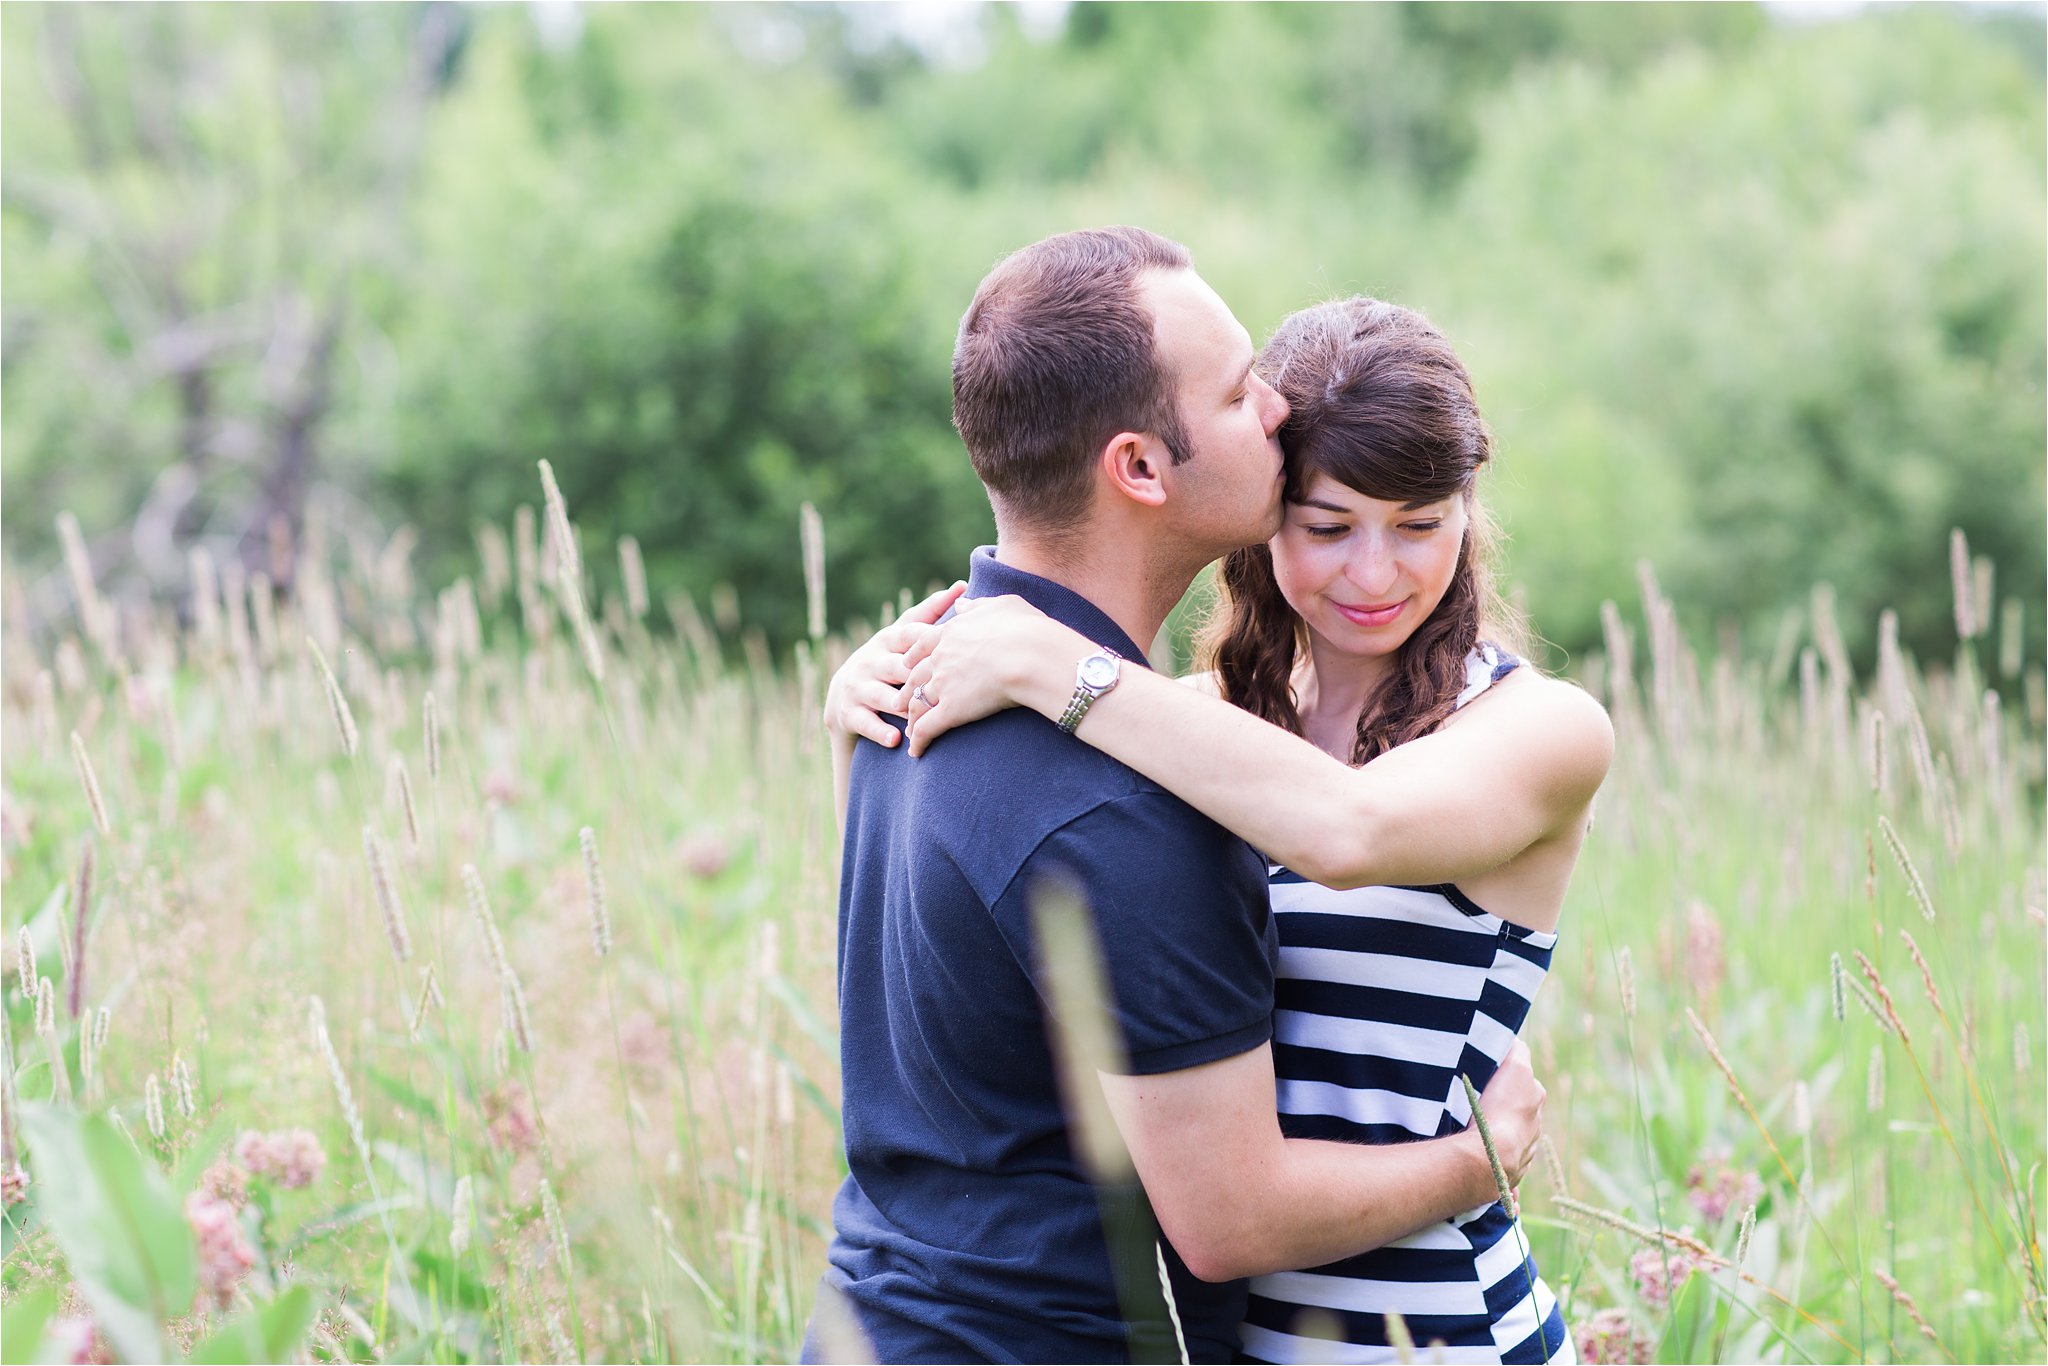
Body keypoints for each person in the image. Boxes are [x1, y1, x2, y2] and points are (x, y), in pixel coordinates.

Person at [808, 227, 1551, 1366]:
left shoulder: (925, 684)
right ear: (1141, 468)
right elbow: (1230, 1222)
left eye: (1417, 521)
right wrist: (1476, 1158)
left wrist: (1054, 668)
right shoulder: (1127, 791)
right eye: (1238, 391)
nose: (1274, 409)